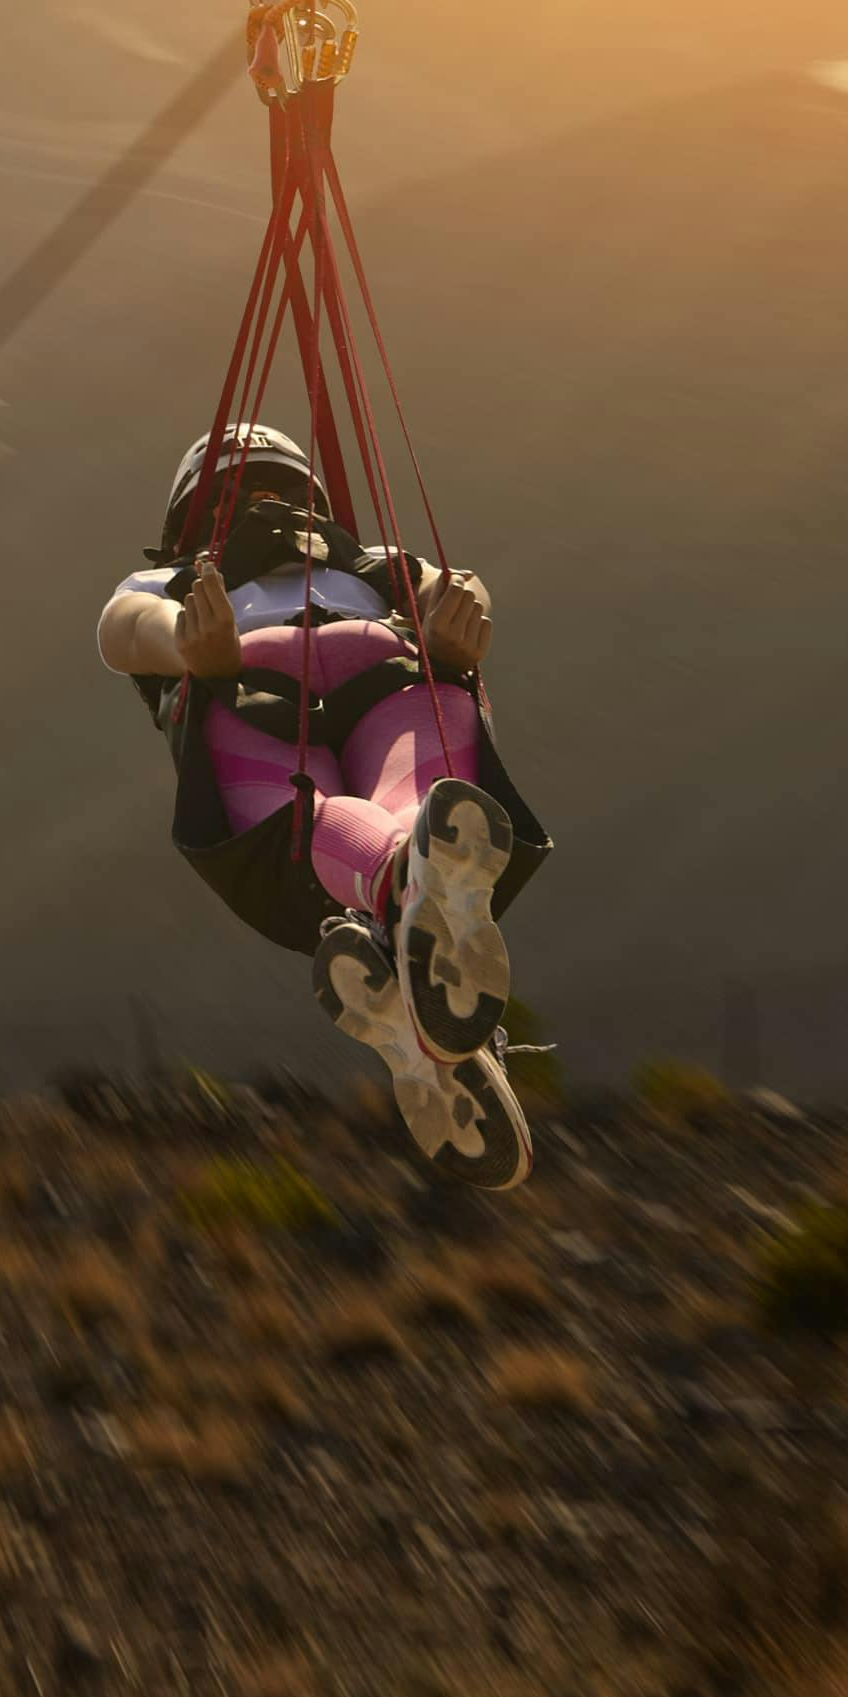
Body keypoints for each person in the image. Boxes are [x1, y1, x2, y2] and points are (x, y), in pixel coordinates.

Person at [99, 419, 537, 1181]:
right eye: (241, 495)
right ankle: (417, 899)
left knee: (396, 801)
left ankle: (409, 927)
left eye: (275, 492)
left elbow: (450, 583)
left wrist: (454, 616)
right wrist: (188, 640)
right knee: (315, 810)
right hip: (262, 680)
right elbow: (123, 629)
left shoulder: (371, 563)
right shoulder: (182, 587)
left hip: (347, 676)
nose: (263, 508)